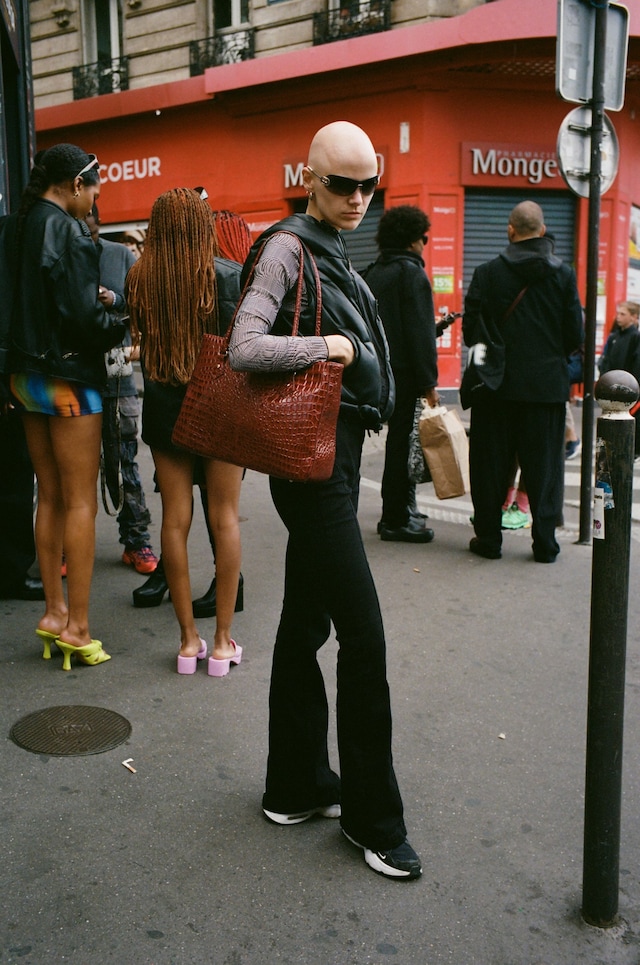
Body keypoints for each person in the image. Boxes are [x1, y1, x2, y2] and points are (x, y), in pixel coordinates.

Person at [228, 121, 421, 880]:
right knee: (363, 637)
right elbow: (245, 345)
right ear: (310, 178)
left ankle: (294, 784)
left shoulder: (336, 246)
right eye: (342, 184)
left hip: (334, 456)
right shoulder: (286, 247)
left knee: (306, 621)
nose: (357, 198)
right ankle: (374, 821)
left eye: (369, 184)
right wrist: (330, 348)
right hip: (310, 465)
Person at [0, 143, 124, 668]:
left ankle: (53, 613)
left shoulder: (16, 228)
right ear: (75, 183)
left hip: (26, 381)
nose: (95, 200)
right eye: (93, 188)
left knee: (47, 498)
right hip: (72, 379)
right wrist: (121, 322)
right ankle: (78, 627)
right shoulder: (70, 232)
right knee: (78, 502)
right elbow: (81, 320)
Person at [127, 188, 244, 676]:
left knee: (174, 521)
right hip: (219, 406)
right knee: (226, 519)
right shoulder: (227, 276)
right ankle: (220, 643)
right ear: (204, 226)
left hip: (164, 408)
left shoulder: (141, 279)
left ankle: (186, 642)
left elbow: (138, 340)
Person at [463, 200, 583, 562]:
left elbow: (471, 333)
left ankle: (489, 540)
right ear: (543, 231)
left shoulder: (486, 273)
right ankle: (545, 545)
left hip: (494, 387)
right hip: (545, 389)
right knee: (544, 469)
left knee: (489, 467)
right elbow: (573, 334)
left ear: (510, 231)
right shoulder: (563, 275)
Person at [85, 204, 159, 575]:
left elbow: (142, 307)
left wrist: (112, 299)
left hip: (116, 377)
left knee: (126, 463)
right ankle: (69, 549)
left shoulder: (119, 255)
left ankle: (137, 540)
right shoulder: (61, 255)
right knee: (74, 473)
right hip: (74, 377)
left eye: (92, 230)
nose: (87, 236)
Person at [362, 205, 438, 543]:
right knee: (401, 445)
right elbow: (419, 334)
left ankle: (402, 510)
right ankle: (394, 518)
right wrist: (429, 383)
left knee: (396, 443)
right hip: (405, 375)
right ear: (412, 239)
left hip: (375, 372)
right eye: (423, 237)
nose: (425, 244)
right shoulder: (411, 273)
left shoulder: (373, 272)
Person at [598, 301, 640, 457]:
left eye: (623, 314)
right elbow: (606, 358)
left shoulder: (635, 337)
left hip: (626, 389)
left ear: (634, 317)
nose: (618, 317)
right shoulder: (614, 335)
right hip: (610, 388)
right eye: (618, 313)